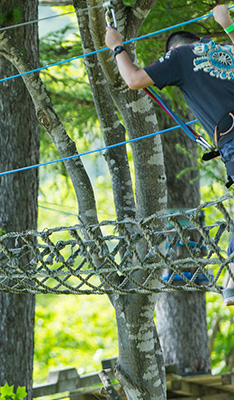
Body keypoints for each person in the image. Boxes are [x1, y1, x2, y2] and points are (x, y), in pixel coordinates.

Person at [104, 4, 234, 305]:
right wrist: (226, 24)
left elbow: (134, 80)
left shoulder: (179, 56)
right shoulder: (226, 49)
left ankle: (231, 280)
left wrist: (117, 47)